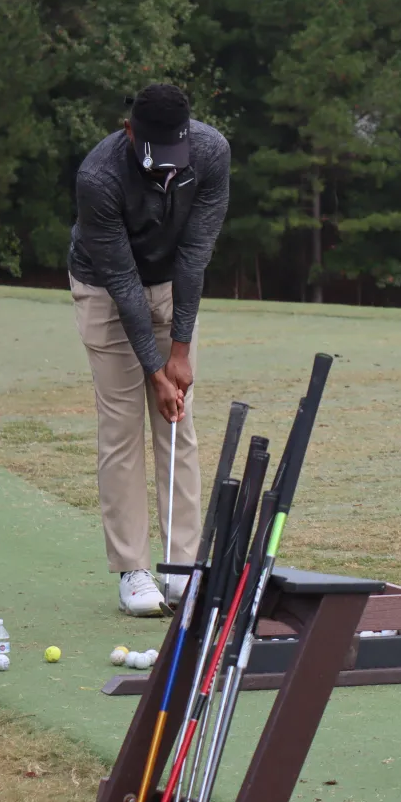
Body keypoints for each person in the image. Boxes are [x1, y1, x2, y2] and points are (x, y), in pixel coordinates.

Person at [67, 84, 229, 616]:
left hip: (171, 285)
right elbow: (120, 280)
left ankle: (181, 568)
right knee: (121, 429)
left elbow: (194, 254)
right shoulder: (99, 175)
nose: (165, 164)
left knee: (179, 425)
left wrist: (179, 351)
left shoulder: (209, 153)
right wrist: (154, 370)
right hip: (104, 289)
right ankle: (133, 569)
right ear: (129, 130)